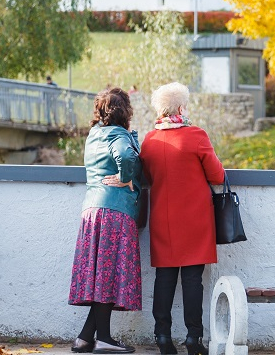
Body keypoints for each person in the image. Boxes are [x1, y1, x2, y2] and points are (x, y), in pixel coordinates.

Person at [113, 82, 225, 355]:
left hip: (164, 218)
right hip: (195, 219)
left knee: (163, 278)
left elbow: (147, 179)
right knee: (192, 280)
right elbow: (218, 176)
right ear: (181, 107)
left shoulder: (150, 140)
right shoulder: (196, 135)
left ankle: (162, 337)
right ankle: (193, 340)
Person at [68, 87, 143, 354]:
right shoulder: (118, 134)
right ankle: (104, 339)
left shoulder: (94, 135)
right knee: (108, 276)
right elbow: (126, 156)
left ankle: (86, 338)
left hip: (92, 210)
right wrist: (126, 177)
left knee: (101, 276)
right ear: (125, 112)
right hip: (114, 211)